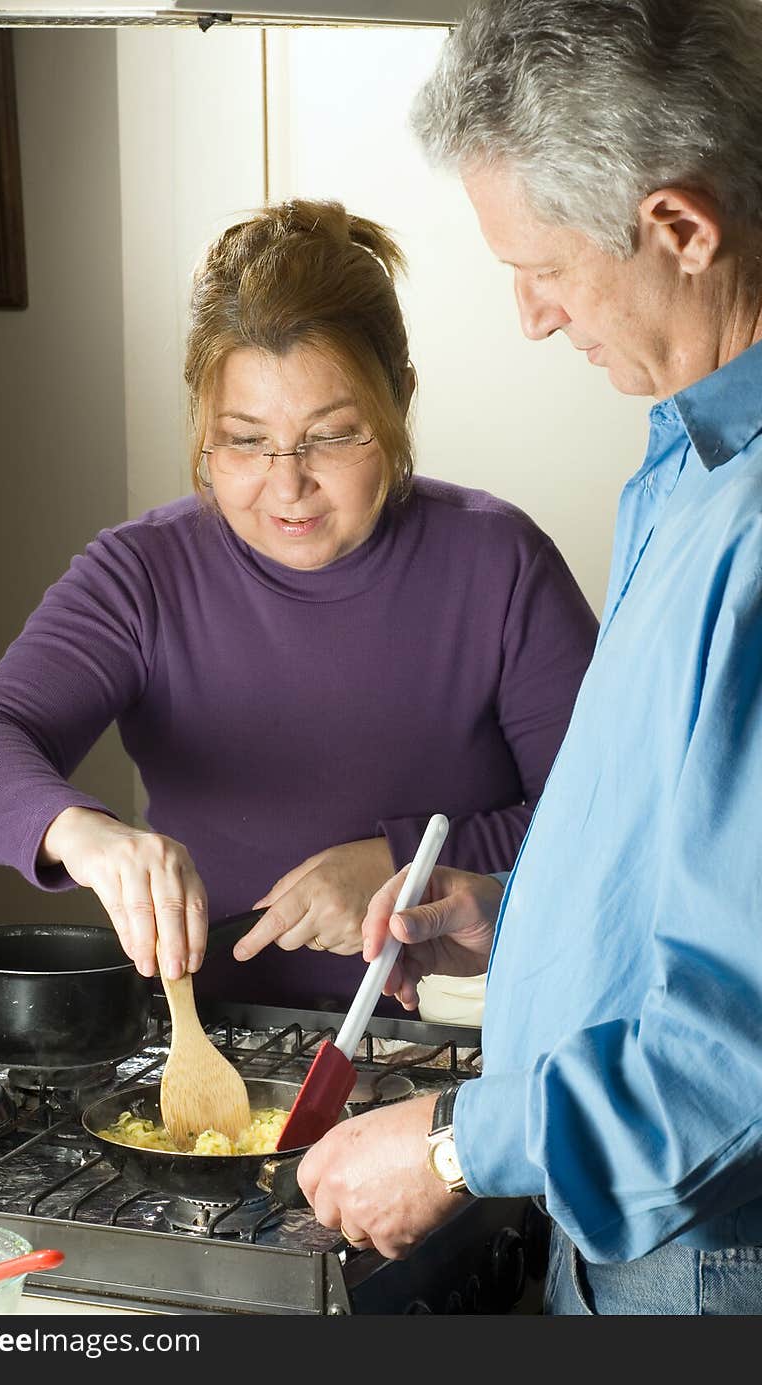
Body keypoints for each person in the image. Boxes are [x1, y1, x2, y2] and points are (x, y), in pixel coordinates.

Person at [297, 0, 762, 1315]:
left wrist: (456, 1141)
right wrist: (516, 917)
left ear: (680, 225)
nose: (533, 319)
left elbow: (742, 1050)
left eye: (543, 267)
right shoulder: (688, 461)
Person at [0, 198, 596, 1012]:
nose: (288, 485)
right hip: (210, 1036)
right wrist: (85, 834)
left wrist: (400, 865)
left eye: (333, 434)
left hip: (463, 1031)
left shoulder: (500, 561)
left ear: (400, 404)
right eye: (245, 439)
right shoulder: (143, 572)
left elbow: (602, 818)